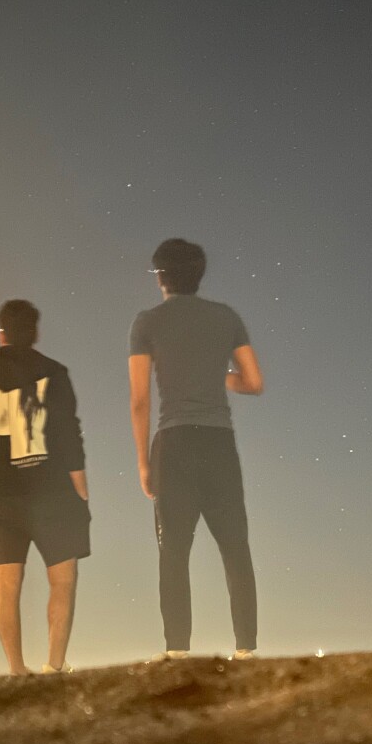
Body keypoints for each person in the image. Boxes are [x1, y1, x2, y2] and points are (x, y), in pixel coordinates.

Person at [128, 239, 263, 660]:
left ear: (161, 277)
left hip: (174, 444)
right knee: (235, 548)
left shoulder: (147, 322)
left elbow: (139, 399)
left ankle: (177, 653)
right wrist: (214, 373)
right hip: (219, 442)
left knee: (173, 552)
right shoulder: (226, 317)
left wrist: (143, 462)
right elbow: (253, 382)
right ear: (199, 275)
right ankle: (246, 650)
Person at [0, 299, 90, 675]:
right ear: (35, 331)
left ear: (0, 332)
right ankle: (55, 665)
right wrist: (81, 488)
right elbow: (68, 434)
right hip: (52, 490)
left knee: (7, 578)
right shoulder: (54, 373)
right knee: (62, 579)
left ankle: (16, 670)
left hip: (3, 494)